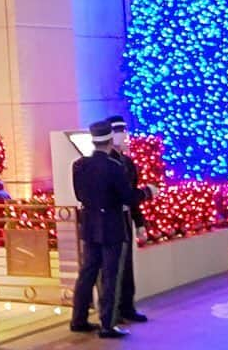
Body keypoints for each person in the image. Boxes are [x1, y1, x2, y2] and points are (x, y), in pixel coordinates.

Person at [69, 120, 158, 340]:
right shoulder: (115, 167)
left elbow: (80, 196)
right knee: (111, 275)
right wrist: (147, 192)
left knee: (87, 273)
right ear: (110, 140)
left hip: (90, 225)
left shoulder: (79, 165)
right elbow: (127, 197)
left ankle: (78, 319)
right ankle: (107, 324)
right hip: (111, 225)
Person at [108, 115, 149, 324]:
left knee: (127, 265)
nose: (123, 136)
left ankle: (127, 306)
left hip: (125, 218)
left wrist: (139, 222)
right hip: (111, 219)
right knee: (114, 267)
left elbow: (132, 195)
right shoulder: (105, 163)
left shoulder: (128, 163)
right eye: (118, 132)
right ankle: (113, 311)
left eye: (124, 132)